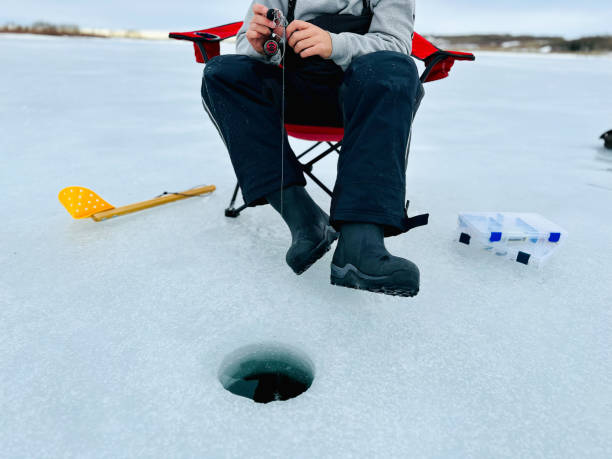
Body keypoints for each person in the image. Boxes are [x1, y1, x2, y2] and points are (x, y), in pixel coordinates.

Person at [201, 0, 425, 297]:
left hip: (364, 97)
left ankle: (360, 244)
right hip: (295, 93)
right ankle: (304, 220)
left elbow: (394, 44)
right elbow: (246, 43)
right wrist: (260, 45)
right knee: (222, 72)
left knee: (395, 68)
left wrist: (334, 44)